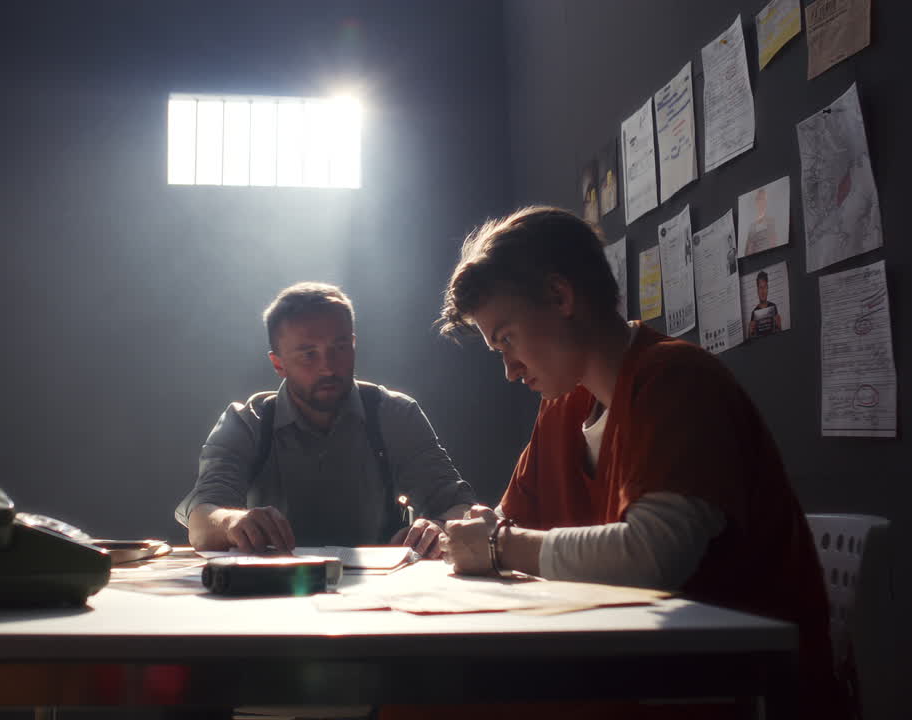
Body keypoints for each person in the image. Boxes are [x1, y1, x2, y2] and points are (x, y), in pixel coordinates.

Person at [430, 206, 843, 718]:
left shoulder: (677, 380)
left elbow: (654, 558)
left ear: (560, 297)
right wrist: (475, 536)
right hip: (625, 673)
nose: (510, 370)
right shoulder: (561, 410)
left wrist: (495, 545)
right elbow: (511, 527)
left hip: (726, 695)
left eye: (507, 339)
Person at [175, 282, 476, 557]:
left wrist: (439, 526)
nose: (329, 367)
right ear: (278, 364)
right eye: (308, 354)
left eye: (340, 348)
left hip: (379, 591)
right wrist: (231, 522)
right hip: (271, 593)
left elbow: (462, 507)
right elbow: (201, 522)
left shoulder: (396, 414)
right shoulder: (246, 422)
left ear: (354, 344)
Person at [744, 186, 778, 256]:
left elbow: (774, 244)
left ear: (766, 202)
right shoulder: (751, 226)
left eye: (764, 199)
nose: (762, 202)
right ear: (756, 201)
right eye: (760, 199)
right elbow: (747, 252)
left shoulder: (771, 221)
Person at [748, 270, 783, 338]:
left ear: (768, 288)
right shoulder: (754, 312)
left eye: (765, 287)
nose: (763, 291)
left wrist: (779, 325)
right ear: (757, 290)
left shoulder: (773, 307)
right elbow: (752, 339)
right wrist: (750, 332)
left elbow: (779, 333)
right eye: (760, 287)